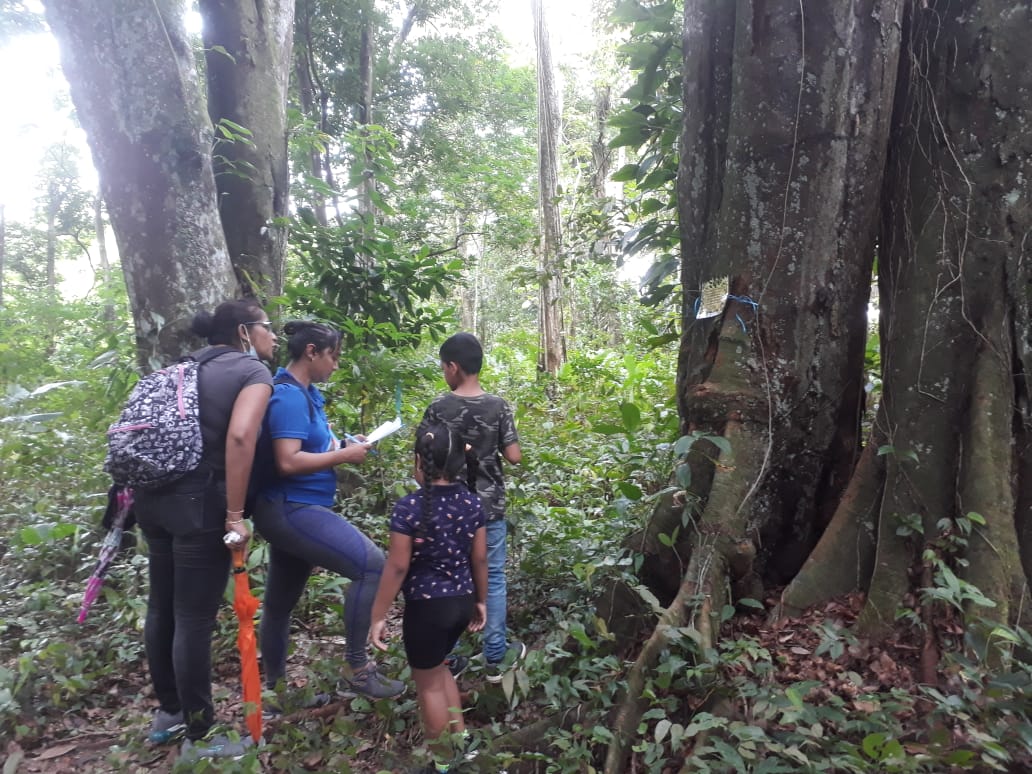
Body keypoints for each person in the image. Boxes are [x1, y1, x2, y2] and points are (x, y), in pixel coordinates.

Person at [134, 298, 276, 761]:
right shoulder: (252, 372)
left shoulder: (180, 367)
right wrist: (235, 515)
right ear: (243, 332)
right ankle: (200, 734)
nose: (273, 335)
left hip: (152, 500)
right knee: (193, 617)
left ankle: (170, 713)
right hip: (199, 505)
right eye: (266, 326)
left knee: (163, 606)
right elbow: (240, 437)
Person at [252, 321, 404, 705]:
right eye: (333, 357)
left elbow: (315, 445)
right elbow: (288, 461)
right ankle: (357, 669)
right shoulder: (288, 397)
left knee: (279, 604)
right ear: (311, 352)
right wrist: (344, 456)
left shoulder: (307, 394)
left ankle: (276, 695)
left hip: (295, 506)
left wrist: (347, 444)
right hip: (291, 507)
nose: (335, 365)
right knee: (372, 566)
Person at [369, 421, 487, 774]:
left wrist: (378, 615)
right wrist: (481, 601)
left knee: (429, 687)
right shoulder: (472, 503)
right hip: (462, 602)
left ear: (420, 461)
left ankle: (443, 764)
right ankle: (461, 747)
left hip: (427, 611)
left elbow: (397, 567)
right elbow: (480, 559)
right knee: (440, 670)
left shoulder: (409, 508)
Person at [422, 332, 524, 682]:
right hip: (488, 507)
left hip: (447, 509)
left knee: (450, 576)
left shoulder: (438, 408)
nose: (443, 373)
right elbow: (514, 456)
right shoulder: (498, 406)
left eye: (443, 367)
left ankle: (446, 656)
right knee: (492, 577)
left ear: (453, 367)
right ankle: (495, 654)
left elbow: (421, 467)